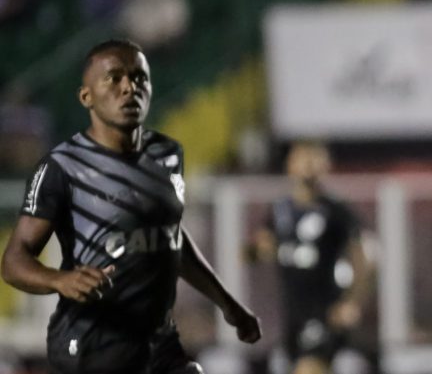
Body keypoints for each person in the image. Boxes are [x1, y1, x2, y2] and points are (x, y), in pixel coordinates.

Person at [0, 39, 261, 374]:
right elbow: (13, 261)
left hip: (156, 341)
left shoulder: (167, 156)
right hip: (91, 341)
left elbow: (171, 239)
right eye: (115, 78)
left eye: (140, 78)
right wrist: (60, 280)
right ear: (86, 97)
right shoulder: (61, 167)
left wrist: (228, 304)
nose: (129, 88)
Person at [248, 141, 371, 374]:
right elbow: (261, 245)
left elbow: (362, 257)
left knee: (309, 368)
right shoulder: (280, 209)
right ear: (290, 165)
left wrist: (352, 301)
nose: (308, 165)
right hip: (292, 310)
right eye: (303, 159)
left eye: (314, 159)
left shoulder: (336, 210)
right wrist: (254, 252)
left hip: (325, 309)